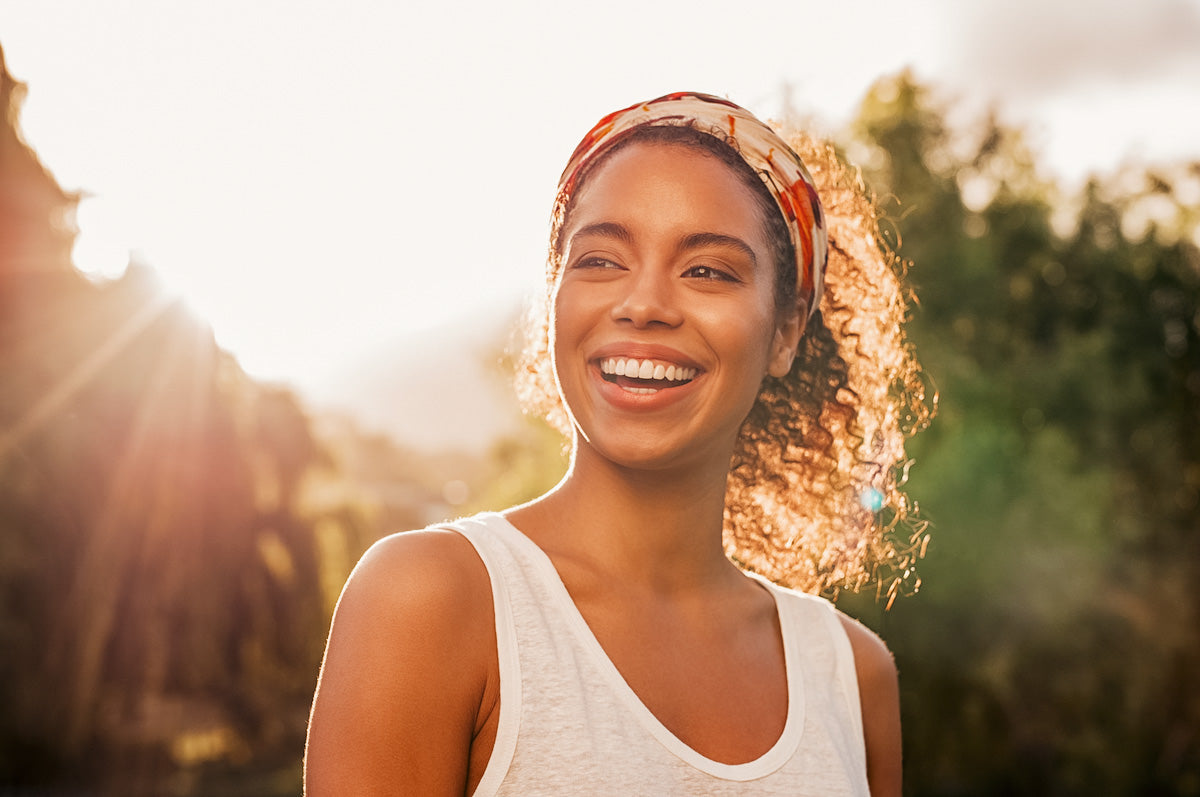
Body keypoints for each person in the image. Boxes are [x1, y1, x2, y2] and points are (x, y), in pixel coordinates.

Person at [304, 92, 931, 796]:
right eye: (600, 260)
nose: (643, 304)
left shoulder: (851, 675)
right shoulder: (431, 601)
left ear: (785, 330)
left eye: (708, 270)